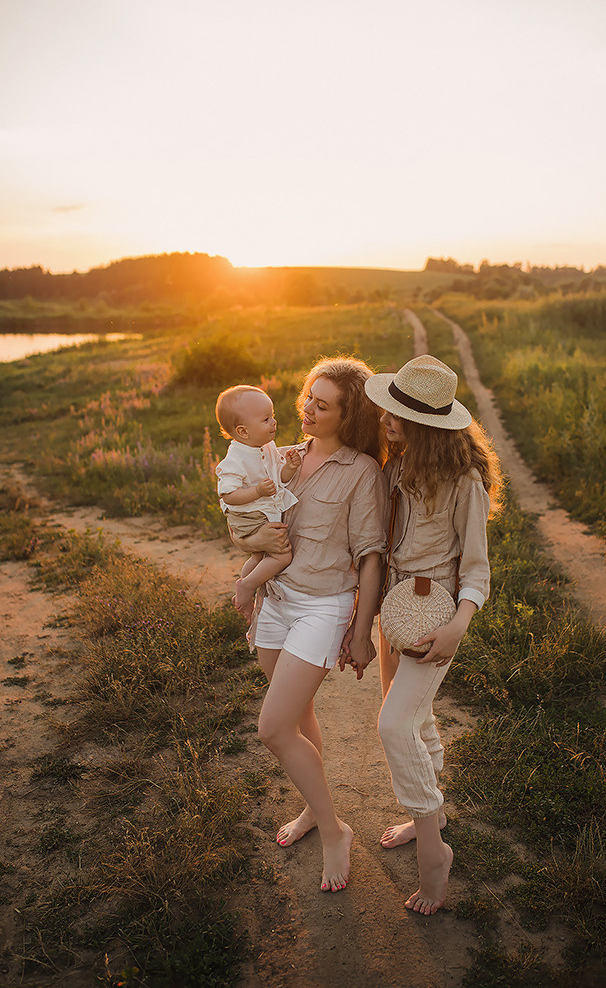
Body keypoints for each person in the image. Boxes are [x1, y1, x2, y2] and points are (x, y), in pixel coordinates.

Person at [232, 357, 389, 893]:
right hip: (276, 599)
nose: (307, 409)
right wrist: (251, 574)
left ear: (349, 417)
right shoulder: (283, 458)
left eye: (323, 405)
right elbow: (249, 519)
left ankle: (333, 830)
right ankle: (310, 805)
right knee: (298, 714)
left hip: (324, 607)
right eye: (307, 398)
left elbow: (371, 555)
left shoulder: (363, 472)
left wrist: (362, 630)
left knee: (272, 728)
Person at [360, 354, 502, 915]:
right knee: (415, 716)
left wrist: (458, 627)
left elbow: (476, 568)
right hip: (394, 613)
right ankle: (433, 816)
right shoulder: (398, 468)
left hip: (434, 615)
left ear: (426, 424)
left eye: (398, 414)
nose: (386, 419)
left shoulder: (464, 482)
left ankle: (433, 850)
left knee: (393, 723)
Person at [215, 384, 302, 621]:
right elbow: (228, 495)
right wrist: (257, 491)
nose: (274, 422)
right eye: (266, 419)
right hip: (247, 515)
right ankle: (248, 586)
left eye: (272, 416)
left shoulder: (267, 447)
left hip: (261, 511)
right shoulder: (235, 458)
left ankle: (243, 584)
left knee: (258, 557)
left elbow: (278, 480)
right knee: (282, 556)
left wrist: (289, 468)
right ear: (243, 431)